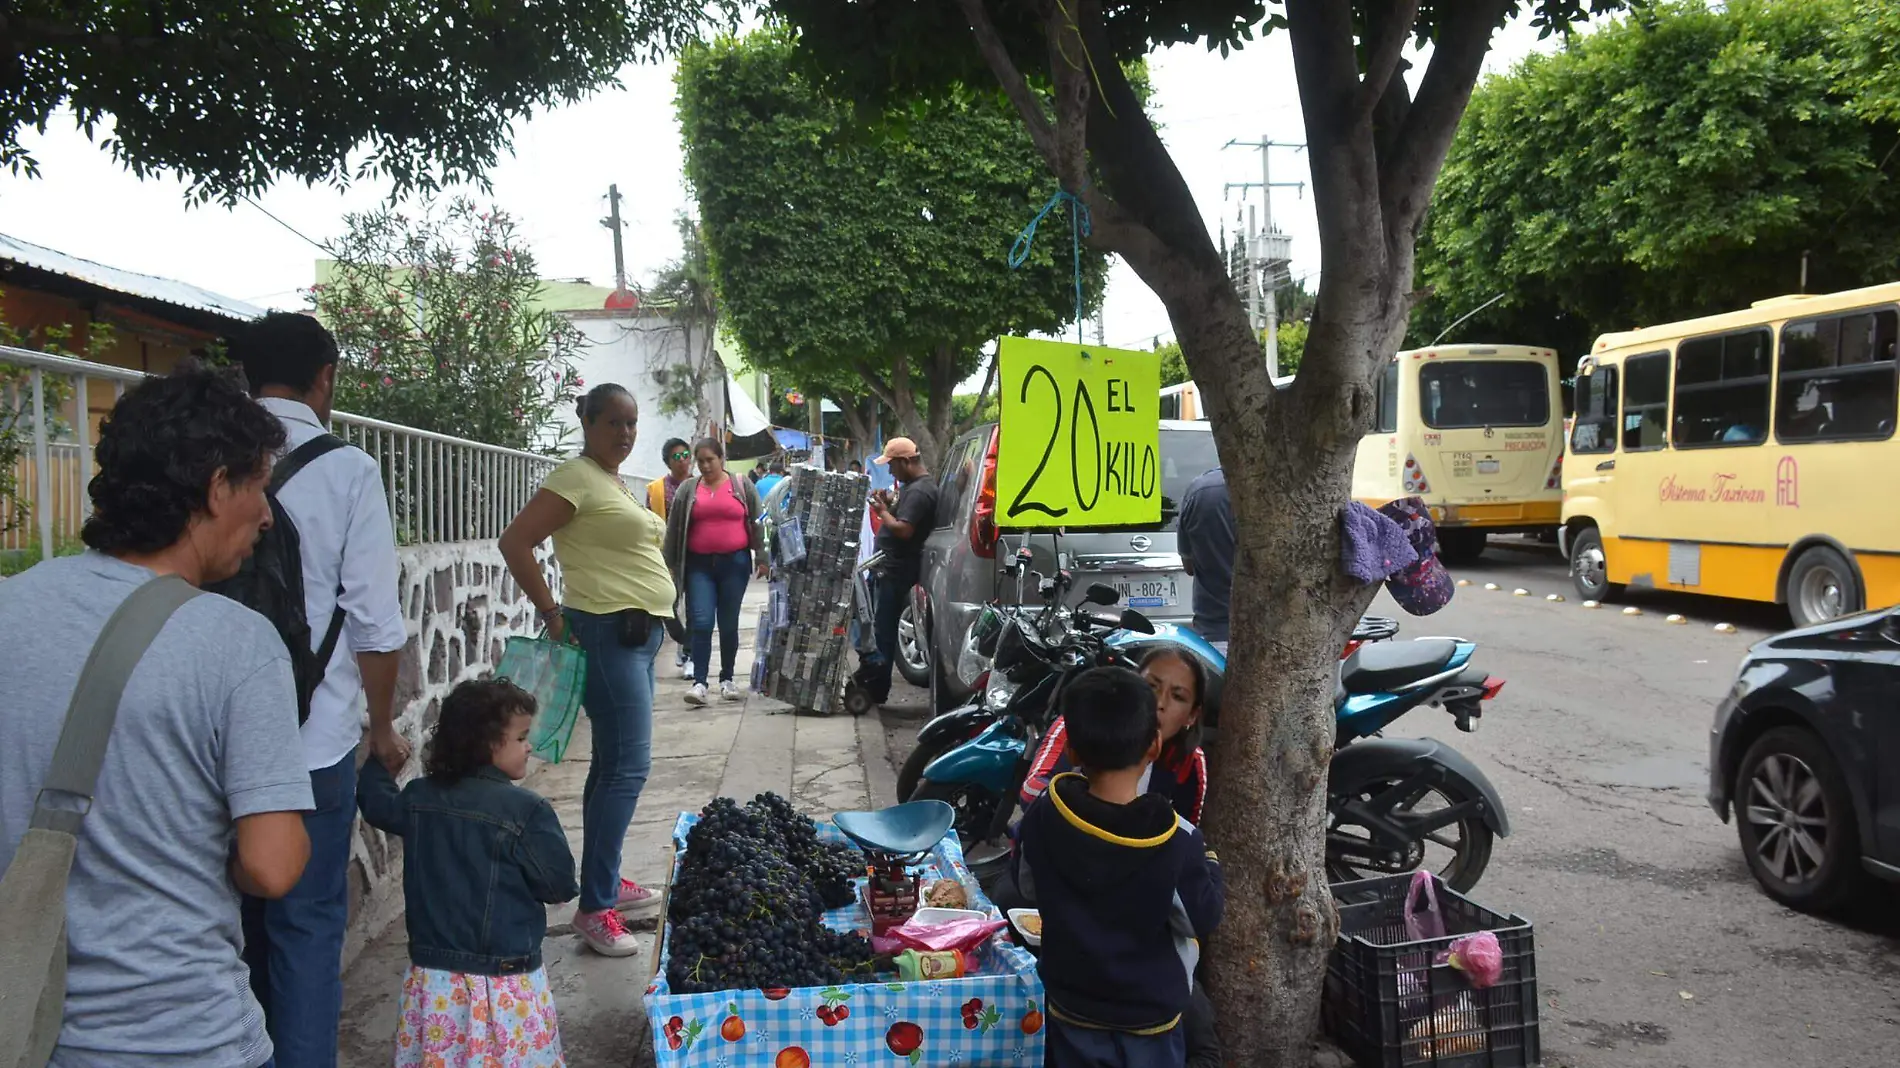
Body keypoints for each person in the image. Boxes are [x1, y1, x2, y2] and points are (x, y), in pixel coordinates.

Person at [0, 365, 314, 1068]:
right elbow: (272, 867)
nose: (267, 515)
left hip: (26, 1026)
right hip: (183, 1034)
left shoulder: (9, 606)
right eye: (260, 485)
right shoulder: (236, 643)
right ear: (216, 486)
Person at [230, 311, 409, 1068]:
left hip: (212, 735)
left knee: (234, 931)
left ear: (246, 374)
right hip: (316, 738)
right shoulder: (346, 470)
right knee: (306, 926)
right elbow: (375, 622)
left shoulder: (210, 458)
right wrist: (380, 726)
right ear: (325, 377)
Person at [499, 383, 674, 957]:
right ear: (588, 422)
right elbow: (516, 541)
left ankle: (606, 879)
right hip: (605, 635)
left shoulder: (612, 481)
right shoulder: (575, 477)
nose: (625, 435)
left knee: (612, 765)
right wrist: (551, 613)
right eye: (613, 424)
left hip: (639, 636)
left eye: (632, 424)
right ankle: (595, 908)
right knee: (628, 769)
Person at [358, 679, 576, 1068]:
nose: (530, 746)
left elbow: (377, 805)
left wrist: (380, 765)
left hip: (435, 982)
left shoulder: (420, 797)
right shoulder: (526, 811)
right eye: (522, 737)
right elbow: (557, 884)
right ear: (489, 744)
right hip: (507, 984)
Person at [1013, 667, 1224, 1067]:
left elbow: (1026, 885)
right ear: (1154, 746)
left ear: (1072, 750)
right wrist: (1211, 863)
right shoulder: (1178, 840)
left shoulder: (1044, 815)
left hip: (1070, 1006)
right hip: (1150, 1020)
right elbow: (1202, 916)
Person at [1020, 646, 1209, 824]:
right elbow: (1031, 792)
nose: (1159, 702)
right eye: (1151, 685)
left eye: (1178, 696)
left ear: (1192, 715)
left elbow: (1187, 831)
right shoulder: (1082, 719)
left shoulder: (1188, 762)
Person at [661, 437, 768, 705]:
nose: (706, 466)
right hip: (699, 566)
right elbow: (674, 529)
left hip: (735, 564)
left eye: (710, 460)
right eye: (701, 461)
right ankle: (699, 682)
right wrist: (669, 565)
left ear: (722, 459)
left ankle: (727, 679)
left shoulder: (741, 485)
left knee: (729, 624)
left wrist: (763, 557)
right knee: (702, 621)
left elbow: (758, 521)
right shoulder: (689, 489)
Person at [857, 437, 937, 703]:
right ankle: (875, 685)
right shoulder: (912, 488)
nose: (890, 471)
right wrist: (889, 503)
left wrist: (882, 511)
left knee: (884, 632)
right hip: (890, 568)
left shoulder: (919, 491)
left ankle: (876, 689)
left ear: (906, 462)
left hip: (896, 571)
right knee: (879, 628)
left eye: (892, 465)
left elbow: (904, 529)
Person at [647, 437, 695, 680]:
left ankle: (690, 654)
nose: (682, 461)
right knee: (669, 608)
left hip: (697, 555)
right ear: (667, 462)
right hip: (667, 558)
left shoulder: (701, 484)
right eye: (676, 457)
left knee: (697, 609)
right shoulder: (656, 489)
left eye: (686, 455)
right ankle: (685, 641)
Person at [1177, 466, 1235, 653]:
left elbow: (1189, 566)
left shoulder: (1200, 490)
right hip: (1272, 634)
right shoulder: (1283, 488)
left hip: (1214, 632)